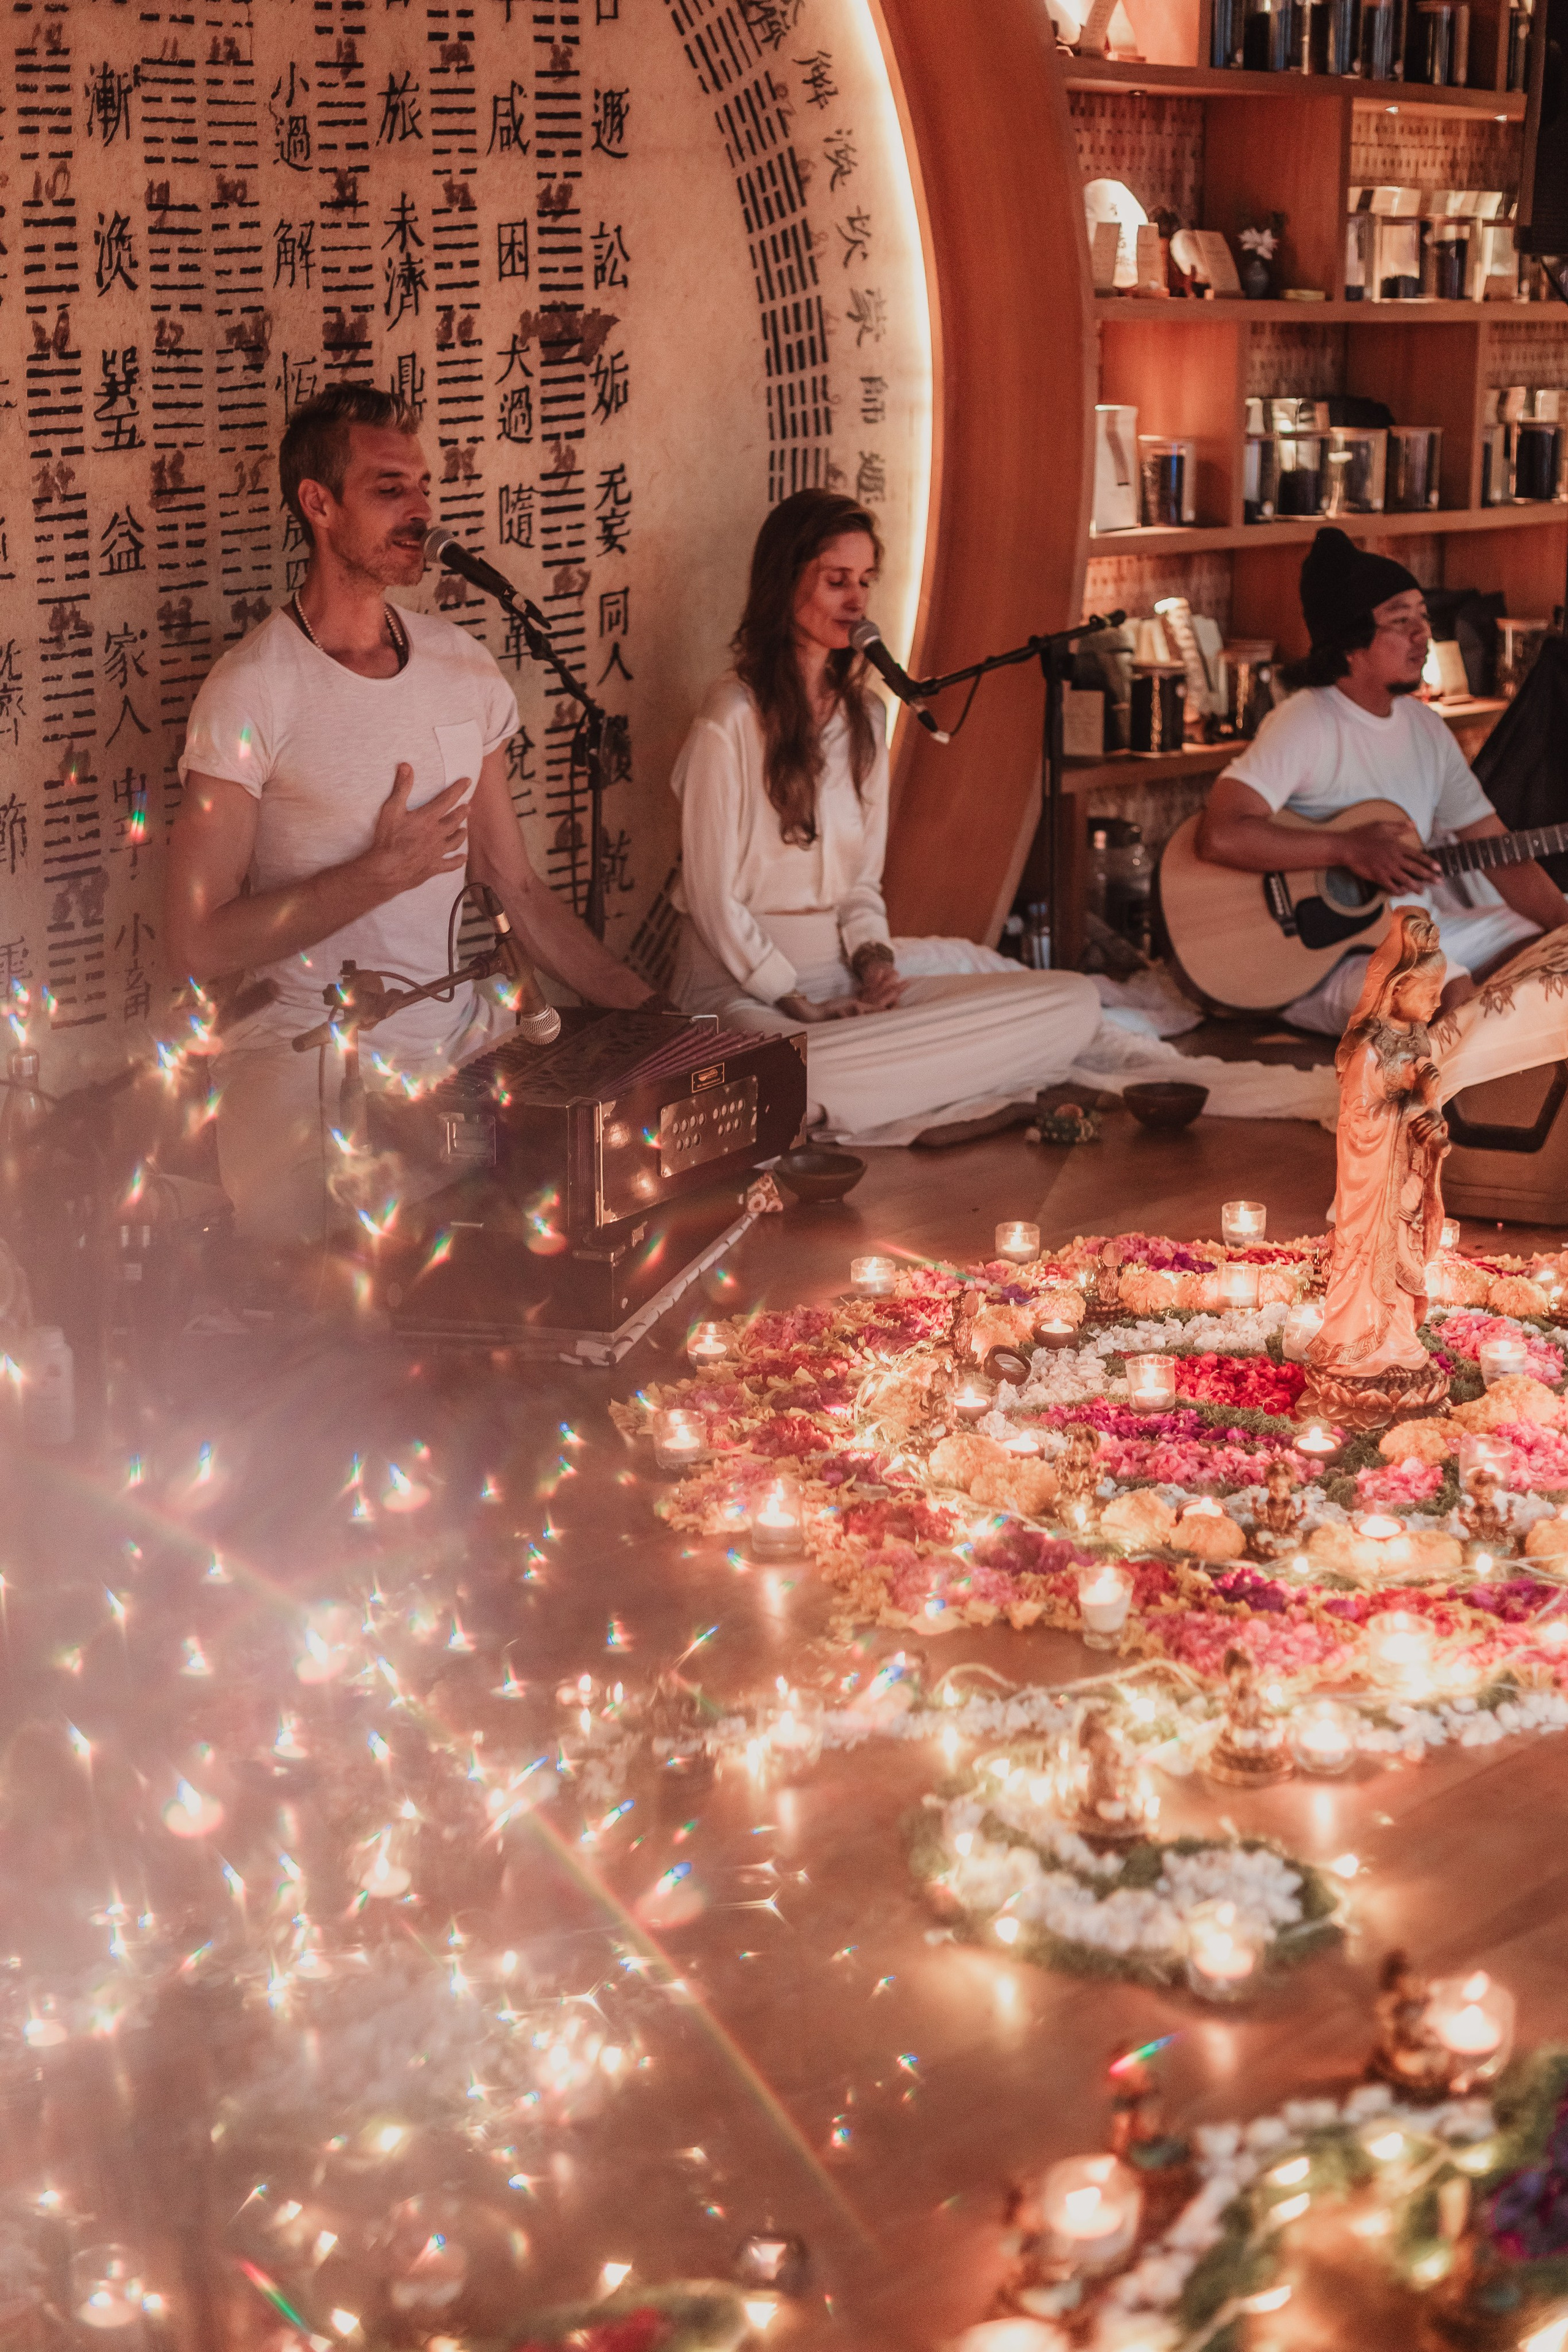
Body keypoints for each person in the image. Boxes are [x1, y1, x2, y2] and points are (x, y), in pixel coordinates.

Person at [167, 385, 652, 1248]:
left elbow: (519, 888)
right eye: (390, 490)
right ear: (319, 504)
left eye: (424, 488)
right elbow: (199, 940)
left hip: (462, 1047)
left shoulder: (463, 667)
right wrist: (373, 878)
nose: (422, 513)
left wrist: (654, 1017)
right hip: (308, 1061)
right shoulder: (251, 690)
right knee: (347, 1291)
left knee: (605, 1215)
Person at [666, 490, 1101, 1141]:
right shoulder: (728, 717)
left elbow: (862, 884)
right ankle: (868, 1083)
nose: (857, 601)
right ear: (784, 584)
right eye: (837, 580)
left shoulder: (867, 717)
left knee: (1075, 1003)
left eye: (865, 581)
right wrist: (795, 999)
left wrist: (873, 965)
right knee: (788, 1065)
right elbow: (710, 898)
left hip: (843, 984)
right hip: (744, 990)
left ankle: (861, 1083)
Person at [1197, 528, 1568, 1043]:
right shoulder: (1307, 721)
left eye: (1423, 617)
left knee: (1555, 962)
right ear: (1351, 644)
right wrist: (1345, 847)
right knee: (1442, 992)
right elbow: (1220, 833)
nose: (1423, 634)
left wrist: (1563, 928)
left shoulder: (1425, 728)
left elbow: (1496, 849)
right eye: (1401, 621)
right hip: (1321, 959)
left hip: (1419, 931)